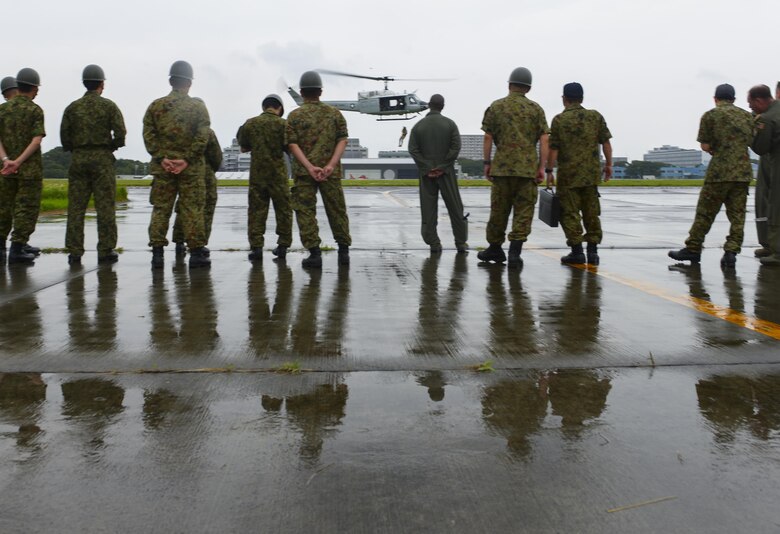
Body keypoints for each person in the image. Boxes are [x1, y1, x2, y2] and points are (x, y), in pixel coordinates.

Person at [669, 84, 754, 268]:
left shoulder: (710, 115)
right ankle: (731, 252)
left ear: (715, 98)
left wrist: (717, 149)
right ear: (734, 99)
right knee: (738, 216)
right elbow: (752, 140)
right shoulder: (747, 116)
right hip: (742, 173)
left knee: (705, 213)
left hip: (719, 173)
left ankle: (693, 248)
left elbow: (705, 146)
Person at [477, 67, 549, 266]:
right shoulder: (536, 109)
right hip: (527, 170)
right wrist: (542, 167)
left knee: (499, 210)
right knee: (524, 211)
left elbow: (487, 136)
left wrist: (487, 163)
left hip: (501, 169)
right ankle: (515, 252)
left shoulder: (496, 107)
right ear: (529, 88)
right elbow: (544, 139)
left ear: (509, 85)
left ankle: (494, 248)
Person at [143, 60, 211, 269]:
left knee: (161, 209)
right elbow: (203, 136)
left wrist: (162, 157)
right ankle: (196, 253)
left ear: (171, 80)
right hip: (190, 169)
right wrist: (186, 160)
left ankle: (157, 253)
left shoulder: (156, 106)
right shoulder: (197, 107)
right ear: (189, 83)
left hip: (163, 168)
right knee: (192, 208)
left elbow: (148, 135)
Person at [60, 64, 126, 265]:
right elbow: (121, 133)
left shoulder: (72, 107)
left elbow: (65, 137)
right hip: (102, 160)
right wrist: (110, 147)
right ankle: (105, 250)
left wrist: (77, 149)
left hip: (79, 159)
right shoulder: (109, 106)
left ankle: (74, 251)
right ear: (101, 84)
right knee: (105, 207)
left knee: (76, 208)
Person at [286, 71, 351, 268]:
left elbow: (292, 144)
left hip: (304, 173)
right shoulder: (334, 114)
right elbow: (343, 139)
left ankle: (314, 253)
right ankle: (343, 251)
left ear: (302, 92)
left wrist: (309, 166)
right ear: (320, 91)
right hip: (330, 172)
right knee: (337, 209)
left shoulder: (295, 116)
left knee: (305, 210)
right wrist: (330, 165)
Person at [545, 82, 612, 265]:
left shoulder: (559, 120)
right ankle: (593, 252)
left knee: (569, 214)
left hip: (568, 177)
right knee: (591, 213)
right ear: (581, 98)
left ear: (564, 99)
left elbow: (554, 149)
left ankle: (577, 251)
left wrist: (549, 171)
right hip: (590, 176)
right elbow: (606, 143)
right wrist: (609, 165)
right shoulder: (595, 117)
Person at [408, 93, 468, 253]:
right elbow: (456, 147)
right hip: (446, 173)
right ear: (442, 106)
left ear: (429, 105)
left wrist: (427, 167)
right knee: (455, 207)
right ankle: (461, 242)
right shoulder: (450, 124)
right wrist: (443, 166)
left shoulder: (418, 126)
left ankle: (433, 243)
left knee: (428, 209)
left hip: (426, 174)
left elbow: (413, 149)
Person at [237, 93, 292, 264]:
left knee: (256, 212)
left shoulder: (251, 123)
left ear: (264, 107)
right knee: (283, 210)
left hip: (258, 176)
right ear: (280, 108)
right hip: (278, 176)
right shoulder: (284, 125)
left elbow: (243, 145)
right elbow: (291, 147)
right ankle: (282, 247)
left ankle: (256, 248)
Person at [0, 68, 45, 264]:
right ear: (34, 87)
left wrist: (6, 160)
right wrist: (19, 161)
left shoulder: (3, 110)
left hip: (5, 169)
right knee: (26, 208)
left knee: (3, 207)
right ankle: (17, 248)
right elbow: (36, 140)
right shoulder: (35, 110)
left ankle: (0, 248)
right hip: (29, 170)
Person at [172, 120, 221, 256]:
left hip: (183, 170)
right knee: (206, 207)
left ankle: (179, 241)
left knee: (184, 206)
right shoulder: (208, 133)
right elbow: (216, 156)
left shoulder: (179, 132)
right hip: (205, 173)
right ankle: (200, 244)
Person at [749, 84, 780, 266]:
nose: (751, 107)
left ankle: (777, 251)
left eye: (751, 104)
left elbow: (760, 148)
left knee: (774, 204)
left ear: (759, 101)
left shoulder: (767, 118)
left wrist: (753, 130)